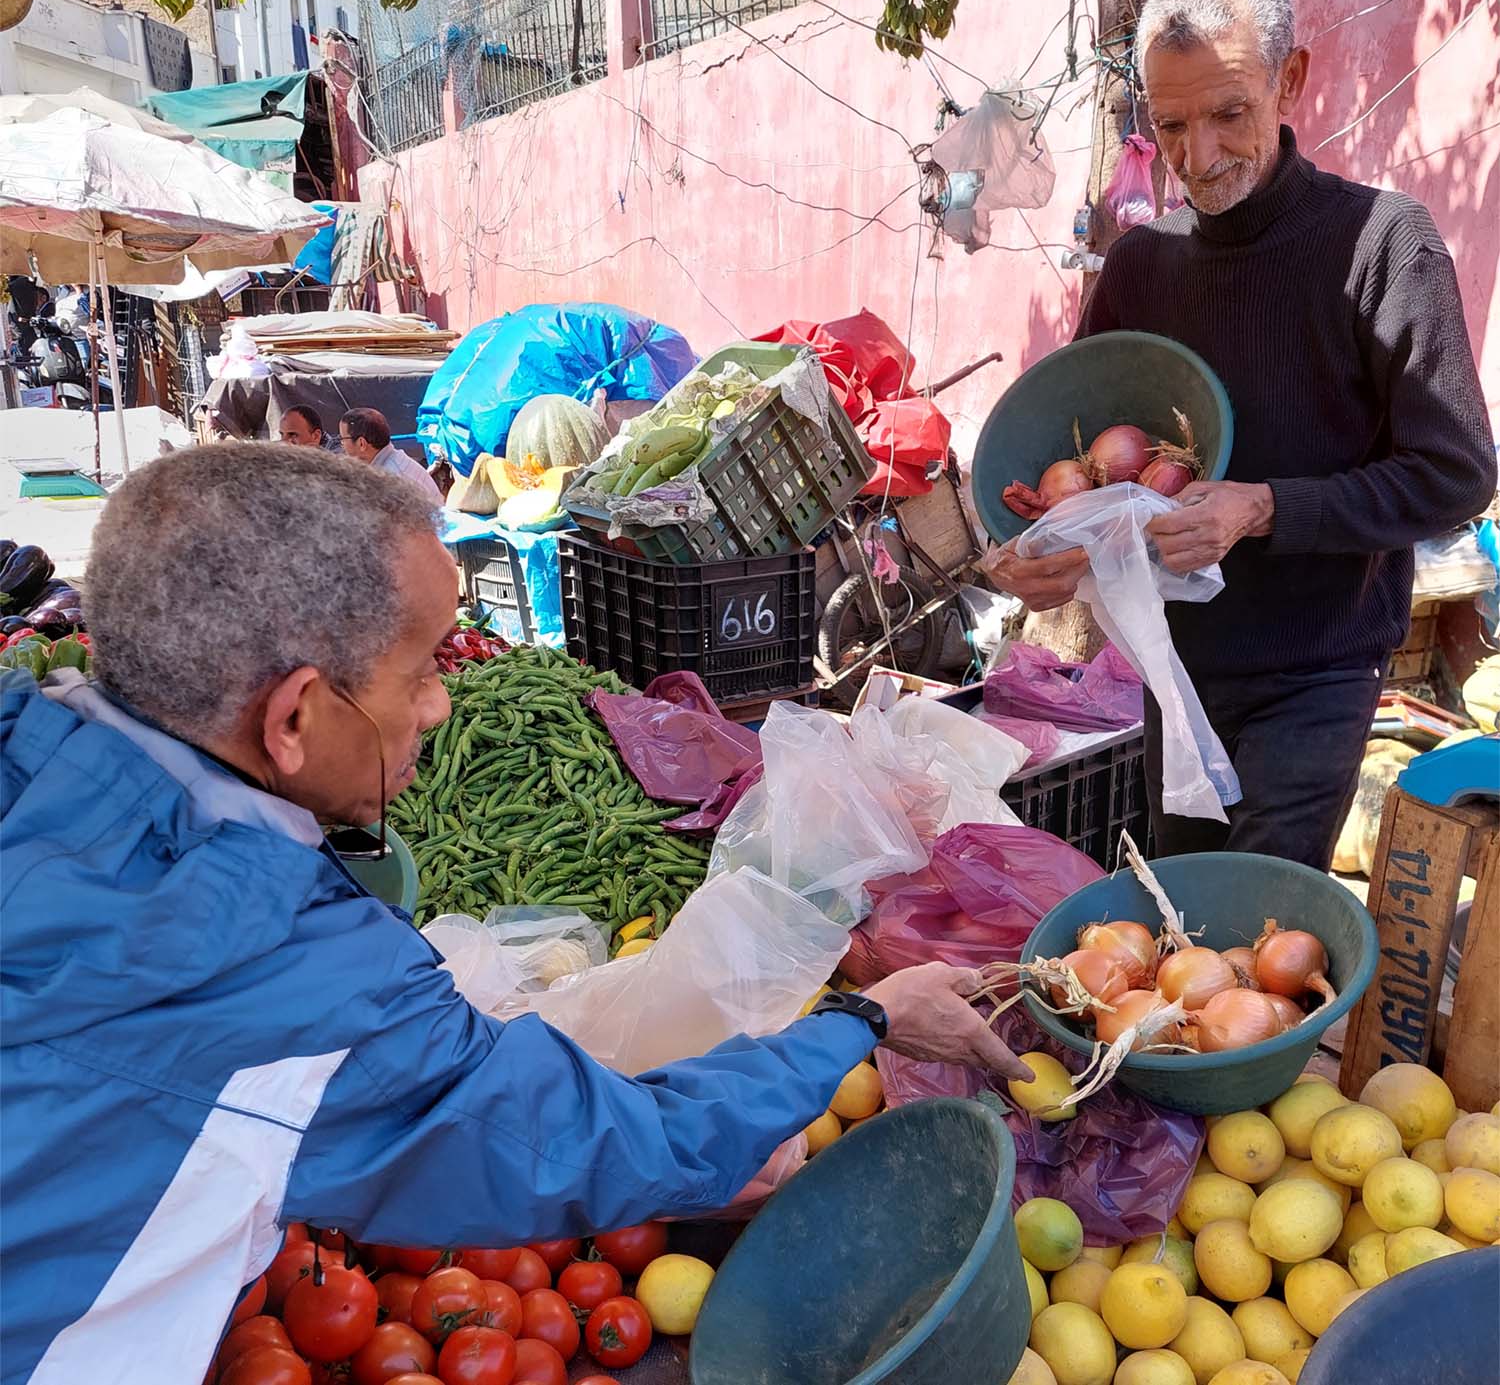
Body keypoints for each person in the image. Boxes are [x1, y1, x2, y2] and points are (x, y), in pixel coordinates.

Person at [0, 442, 1032, 1383]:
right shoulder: (294, 983)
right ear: (295, 717)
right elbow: (603, 1140)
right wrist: (864, 1020)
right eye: (420, 673)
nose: (440, 705)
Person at [990, 0, 1495, 870]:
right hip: (1177, 670)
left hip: (1319, 666)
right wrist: (1036, 553)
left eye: (1230, 114)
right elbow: (1088, 462)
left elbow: (1458, 472)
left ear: (1289, 81)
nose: (1200, 156)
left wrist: (1262, 507)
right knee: (1183, 927)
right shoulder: (1142, 268)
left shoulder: (1386, 244)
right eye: (1172, 124)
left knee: (1251, 931)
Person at [339, 404, 443, 506]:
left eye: (342, 439)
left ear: (362, 443)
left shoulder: (391, 481)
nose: (341, 445)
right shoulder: (391, 462)